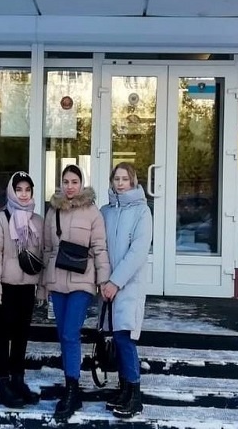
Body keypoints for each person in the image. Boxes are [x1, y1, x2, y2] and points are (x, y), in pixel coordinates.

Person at [40, 164, 111, 422]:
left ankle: (72, 389)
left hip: (82, 281)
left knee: (71, 332)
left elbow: (100, 248)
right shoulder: (53, 211)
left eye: (74, 182)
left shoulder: (92, 212)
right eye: (66, 182)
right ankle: (71, 385)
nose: (70, 186)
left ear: (82, 184)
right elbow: (47, 250)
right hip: (57, 281)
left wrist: (103, 280)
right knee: (64, 335)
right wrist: (43, 285)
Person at [0, 171, 43, 408]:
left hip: (27, 287)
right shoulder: (1, 219)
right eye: (19, 189)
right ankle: (3, 384)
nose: (23, 194)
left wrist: (41, 289)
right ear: (11, 191)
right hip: (5, 287)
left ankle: (18, 379)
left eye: (27, 190)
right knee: (2, 336)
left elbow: (41, 256)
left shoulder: (37, 220)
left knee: (21, 336)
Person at [99, 162, 153, 419]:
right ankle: (123, 390)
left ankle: (134, 395)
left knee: (125, 337)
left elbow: (138, 252)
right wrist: (103, 280)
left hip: (128, 284)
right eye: (116, 179)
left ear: (133, 181)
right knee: (116, 337)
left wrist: (116, 281)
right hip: (108, 286)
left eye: (124, 179)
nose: (120, 183)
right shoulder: (106, 211)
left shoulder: (142, 211)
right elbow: (99, 248)